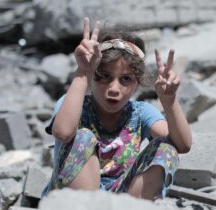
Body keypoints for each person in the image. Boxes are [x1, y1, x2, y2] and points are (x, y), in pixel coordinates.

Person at [42, 17, 192, 200]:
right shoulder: (74, 103)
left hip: (121, 199)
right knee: (83, 137)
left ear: (137, 83)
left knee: (166, 148)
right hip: (73, 200)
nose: (114, 88)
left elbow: (182, 145)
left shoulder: (140, 112)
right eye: (104, 76)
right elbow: (63, 132)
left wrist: (169, 101)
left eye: (125, 79)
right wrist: (83, 72)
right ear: (93, 77)